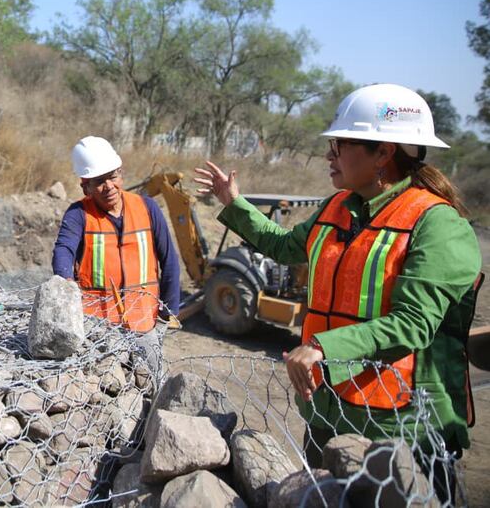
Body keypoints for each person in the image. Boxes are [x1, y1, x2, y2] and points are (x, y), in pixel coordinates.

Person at [195, 83, 481, 500]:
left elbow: (414, 325)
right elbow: (283, 245)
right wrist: (233, 203)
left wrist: (322, 347)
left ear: (383, 153)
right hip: (329, 414)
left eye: (339, 144)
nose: (329, 154)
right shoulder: (338, 208)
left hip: (401, 430)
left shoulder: (438, 226)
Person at [52, 136, 181, 332]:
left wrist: (169, 311)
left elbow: (169, 260)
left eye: (112, 177)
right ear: (86, 188)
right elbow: (64, 249)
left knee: (147, 363)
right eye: (99, 181)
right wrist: (66, 283)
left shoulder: (147, 208)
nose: (109, 186)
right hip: (97, 327)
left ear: (121, 175)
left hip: (144, 320)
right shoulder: (78, 214)